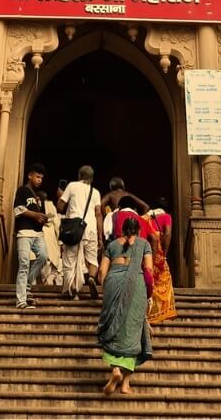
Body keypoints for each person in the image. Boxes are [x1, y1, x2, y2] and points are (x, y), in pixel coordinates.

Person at [96, 216, 154, 397]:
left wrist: (107, 290)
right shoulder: (144, 244)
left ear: (122, 229)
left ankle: (116, 372)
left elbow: (101, 272)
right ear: (138, 230)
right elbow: (149, 270)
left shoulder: (112, 246)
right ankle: (126, 384)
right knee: (133, 330)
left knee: (113, 327)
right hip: (135, 283)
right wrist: (148, 294)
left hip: (113, 281)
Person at [58, 165, 103, 300]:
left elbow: (60, 206)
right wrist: (100, 237)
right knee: (92, 259)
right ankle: (91, 277)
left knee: (70, 259)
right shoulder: (95, 192)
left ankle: (72, 290)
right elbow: (99, 214)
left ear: (79, 176)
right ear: (91, 179)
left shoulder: (72, 186)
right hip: (90, 229)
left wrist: (60, 195)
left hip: (74, 228)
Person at [12, 163, 49, 310]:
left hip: (37, 233)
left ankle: (26, 287)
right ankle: (21, 300)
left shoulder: (38, 196)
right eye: (37, 177)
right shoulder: (22, 191)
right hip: (24, 232)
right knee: (24, 264)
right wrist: (34, 215)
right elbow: (17, 209)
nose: (40, 180)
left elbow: (39, 215)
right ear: (30, 175)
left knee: (43, 257)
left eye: (41, 178)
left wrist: (43, 218)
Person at [145, 197, 177, 324]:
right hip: (158, 250)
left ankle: (148, 311)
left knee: (150, 278)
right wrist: (165, 252)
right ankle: (160, 313)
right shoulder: (166, 216)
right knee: (164, 278)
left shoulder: (146, 218)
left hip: (147, 251)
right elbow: (167, 233)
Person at [38, 190, 63, 286]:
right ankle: (47, 282)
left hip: (43, 235)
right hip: (49, 235)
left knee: (46, 262)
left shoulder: (37, 206)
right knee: (50, 261)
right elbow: (57, 223)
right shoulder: (50, 205)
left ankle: (46, 282)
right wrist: (60, 241)